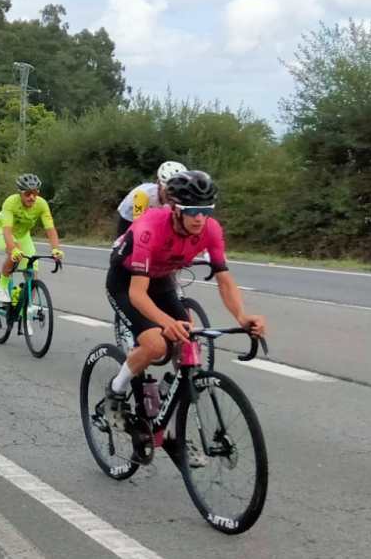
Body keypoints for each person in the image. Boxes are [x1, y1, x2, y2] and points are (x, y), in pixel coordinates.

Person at [105, 170, 266, 467]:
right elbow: (138, 295)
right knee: (156, 346)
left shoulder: (211, 230)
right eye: (192, 210)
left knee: (189, 347)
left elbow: (225, 281)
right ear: (175, 208)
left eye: (206, 211)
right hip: (127, 281)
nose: (199, 218)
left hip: (162, 279)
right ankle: (115, 393)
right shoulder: (149, 227)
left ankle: (164, 419)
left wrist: (242, 316)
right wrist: (165, 323)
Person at [0, 174, 64, 306]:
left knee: (32, 271)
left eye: (35, 193)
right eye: (28, 193)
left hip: (23, 235)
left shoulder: (41, 204)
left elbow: (50, 229)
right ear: (20, 193)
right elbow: (7, 230)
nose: (32, 197)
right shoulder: (11, 202)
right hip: (2, 231)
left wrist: (55, 249)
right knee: (16, 252)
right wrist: (12, 249)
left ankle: (25, 306)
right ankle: (2, 285)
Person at [116, 160, 187, 237]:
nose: (171, 195)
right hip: (129, 217)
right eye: (167, 190)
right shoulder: (143, 194)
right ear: (158, 183)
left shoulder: (179, 199)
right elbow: (138, 223)